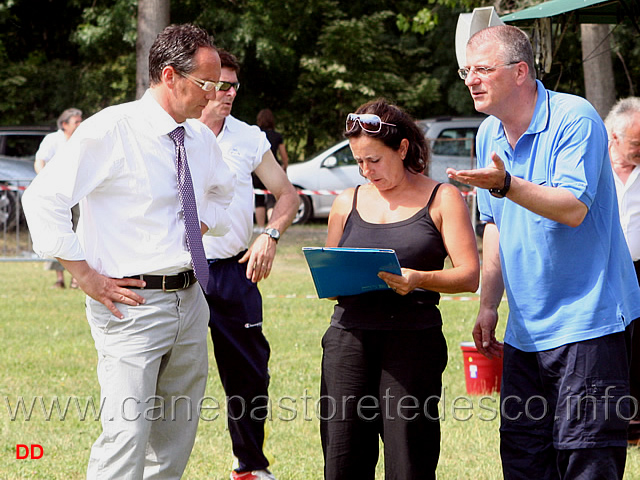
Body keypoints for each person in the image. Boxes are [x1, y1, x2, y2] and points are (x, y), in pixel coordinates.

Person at [22, 24, 235, 479]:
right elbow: (43, 199)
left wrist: (195, 227)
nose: (214, 96)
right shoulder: (112, 130)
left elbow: (222, 190)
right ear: (170, 75)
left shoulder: (198, 139)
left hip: (191, 300)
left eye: (220, 86)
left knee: (174, 440)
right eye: (206, 84)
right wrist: (84, 275)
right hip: (130, 305)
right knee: (126, 437)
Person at [446, 25, 640, 479]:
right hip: (525, 334)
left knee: (587, 462)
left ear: (520, 72)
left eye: (482, 69)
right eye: (466, 70)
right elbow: (494, 226)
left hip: (589, 325)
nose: (471, 79)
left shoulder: (576, 117)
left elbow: (573, 207)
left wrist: (507, 185)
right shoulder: (488, 133)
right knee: (524, 460)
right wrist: (488, 306)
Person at [320, 99, 480, 479]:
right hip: (348, 341)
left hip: (412, 343)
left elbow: (470, 275)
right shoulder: (346, 202)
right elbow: (328, 272)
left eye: (374, 160)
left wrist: (418, 279)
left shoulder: (443, 198)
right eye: (359, 161)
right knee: (343, 459)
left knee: (410, 459)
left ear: (403, 148)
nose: (366, 170)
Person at [198, 50, 299, 480]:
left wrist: (270, 235)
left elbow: (288, 195)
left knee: (250, 375)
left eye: (234, 85)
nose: (229, 93)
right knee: (166, 377)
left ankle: (250, 467)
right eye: (220, 85)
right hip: (179, 273)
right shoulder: (172, 131)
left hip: (232, 272)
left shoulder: (248, 136)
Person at [605, 97, 640, 444]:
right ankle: (617, 421)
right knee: (613, 344)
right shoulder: (592, 163)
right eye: (636, 144)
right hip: (604, 269)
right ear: (613, 137)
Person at [34, 107, 83, 288]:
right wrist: (45, 181)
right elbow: (39, 161)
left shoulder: (82, 139)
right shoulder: (53, 140)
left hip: (78, 193)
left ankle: (78, 278)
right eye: (76, 122)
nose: (80, 124)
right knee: (59, 234)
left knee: (80, 232)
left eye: (80, 121)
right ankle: (60, 278)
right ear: (64, 124)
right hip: (57, 194)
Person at [254, 108, 290, 230]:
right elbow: (284, 155)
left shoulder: (256, 134)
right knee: (271, 199)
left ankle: (259, 226)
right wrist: (284, 167)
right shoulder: (277, 136)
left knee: (258, 199)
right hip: (272, 170)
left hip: (257, 170)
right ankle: (271, 227)